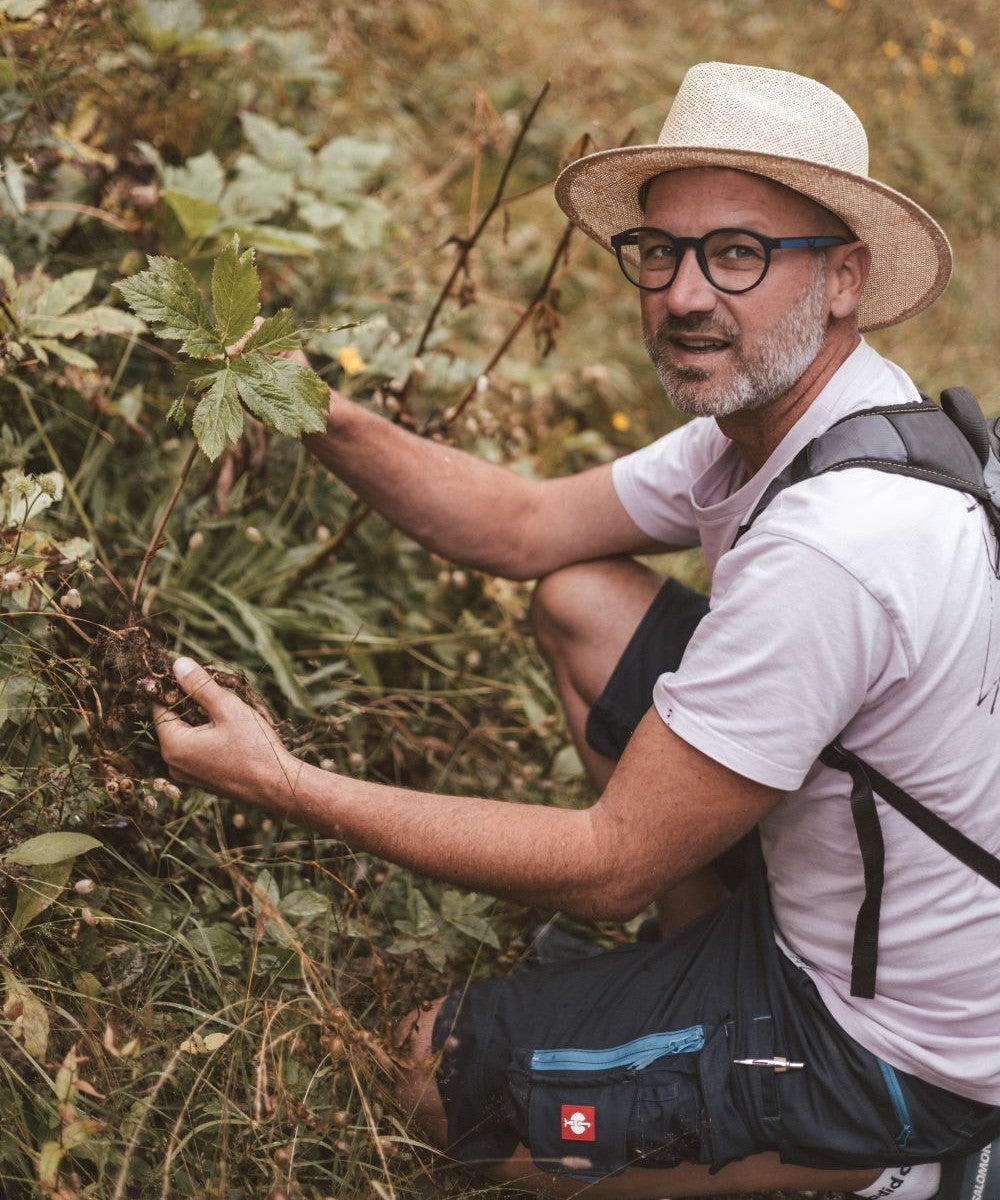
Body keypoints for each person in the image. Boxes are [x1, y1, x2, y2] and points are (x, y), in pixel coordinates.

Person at [153, 63, 1000, 1198]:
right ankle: (694, 973)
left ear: (843, 277)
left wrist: (286, 783)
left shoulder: (834, 541)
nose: (686, 294)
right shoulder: (784, 418)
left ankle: (888, 1164)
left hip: (903, 1039)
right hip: (882, 891)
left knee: (423, 1075)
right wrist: (312, 405)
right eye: (661, 252)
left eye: (738, 253)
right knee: (580, 599)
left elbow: (606, 864)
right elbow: (522, 525)